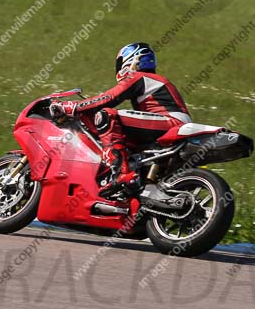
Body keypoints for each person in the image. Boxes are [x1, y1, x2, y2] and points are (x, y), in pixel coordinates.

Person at [50, 42, 191, 198]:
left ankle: (121, 173)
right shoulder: (151, 80)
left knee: (106, 115)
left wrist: (72, 106)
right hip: (171, 124)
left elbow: (108, 98)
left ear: (133, 59)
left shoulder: (139, 77)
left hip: (170, 122)